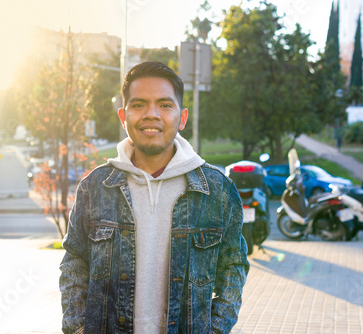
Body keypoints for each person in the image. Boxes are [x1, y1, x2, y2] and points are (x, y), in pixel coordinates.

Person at [60, 61, 250, 333]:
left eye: (164, 104)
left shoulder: (217, 191)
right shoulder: (94, 187)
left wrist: (216, 329)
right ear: (123, 117)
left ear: (182, 117)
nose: (152, 114)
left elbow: (233, 267)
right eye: (138, 105)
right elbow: (74, 261)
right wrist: (77, 328)